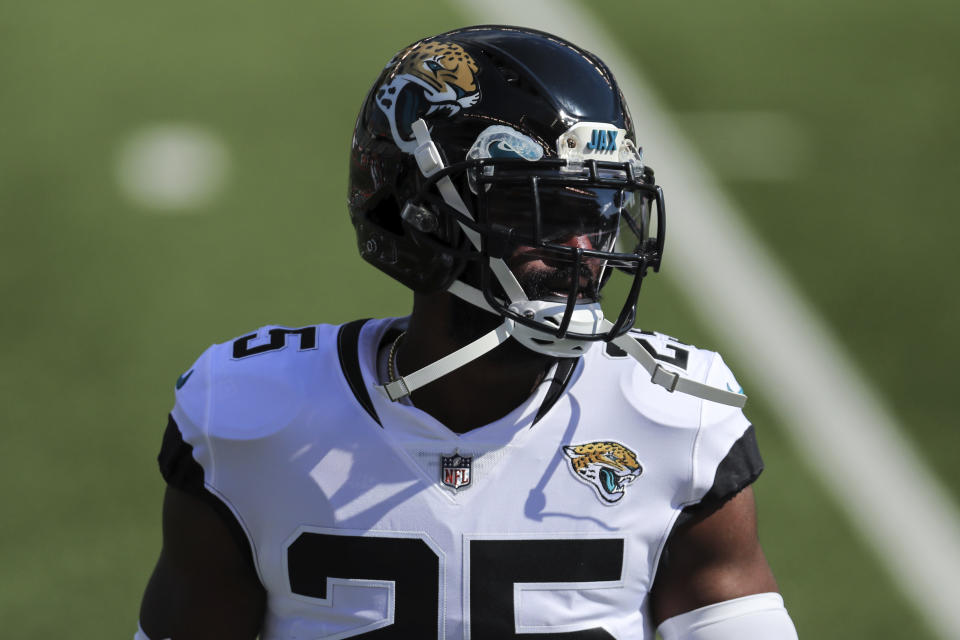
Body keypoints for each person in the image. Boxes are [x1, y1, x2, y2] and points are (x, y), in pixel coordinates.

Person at [136, 25, 799, 640]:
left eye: (596, 212)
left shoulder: (674, 420)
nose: (581, 251)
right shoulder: (254, 416)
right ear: (415, 214)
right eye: (534, 211)